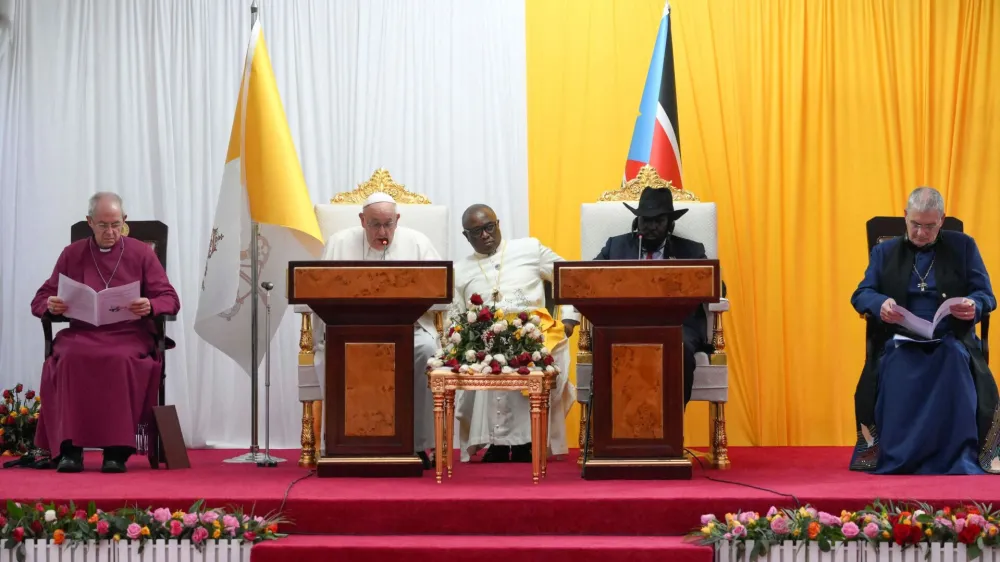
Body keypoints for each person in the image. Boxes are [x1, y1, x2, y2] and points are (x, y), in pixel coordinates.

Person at [850, 186, 999, 474]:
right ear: (905, 216)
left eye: (930, 226)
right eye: (916, 224)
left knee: (955, 360)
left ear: (942, 219)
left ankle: (954, 457)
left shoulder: (964, 246)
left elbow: (986, 295)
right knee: (896, 364)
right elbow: (861, 293)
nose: (921, 233)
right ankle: (900, 456)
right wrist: (880, 303)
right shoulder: (885, 252)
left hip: (950, 338)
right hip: (900, 341)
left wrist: (973, 304)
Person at [31, 192, 180, 473]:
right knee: (69, 358)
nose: (110, 232)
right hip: (81, 334)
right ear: (89, 222)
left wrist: (151, 304)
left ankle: (117, 452)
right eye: (102, 225)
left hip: (129, 335)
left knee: (119, 359)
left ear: (124, 221)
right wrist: (50, 305)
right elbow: (41, 299)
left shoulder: (141, 253)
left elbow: (170, 299)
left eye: (116, 224)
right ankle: (69, 451)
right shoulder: (71, 254)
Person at [311, 192, 442, 469]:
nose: (383, 232)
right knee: (333, 352)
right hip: (349, 332)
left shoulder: (417, 243)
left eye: (388, 224)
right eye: (374, 225)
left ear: (397, 220)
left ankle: (419, 445)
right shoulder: (338, 243)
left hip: (408, 330)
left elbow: (441, 288)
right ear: (362, 220)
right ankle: (341, 444)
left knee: (427, 350)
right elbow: (318, 289)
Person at [453, 204, 580, 463]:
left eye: (489, 227)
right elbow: (455, 314)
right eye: (477, 232)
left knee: (525, 354)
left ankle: (527, 443)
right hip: (484, 337)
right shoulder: (460, 270)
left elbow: (568, 274)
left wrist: (569, 316)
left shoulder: (529, 249)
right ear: (466, 236)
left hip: (535, 330)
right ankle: (496, 444)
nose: (486, 235)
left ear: (498, 224)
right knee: (486, 355)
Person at [586, 186, 724, 406]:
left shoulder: (690, 251)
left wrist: (684, 276)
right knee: (609, 344)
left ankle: (671, 427)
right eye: (645, 220)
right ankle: (615, 434)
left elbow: (718, 288)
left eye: (658, 221)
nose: (650, 227)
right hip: (626, 326)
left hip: (678, 327)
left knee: (679, 349)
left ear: (671, 224)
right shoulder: (616, 247)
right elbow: (589, 280)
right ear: (636, 222)